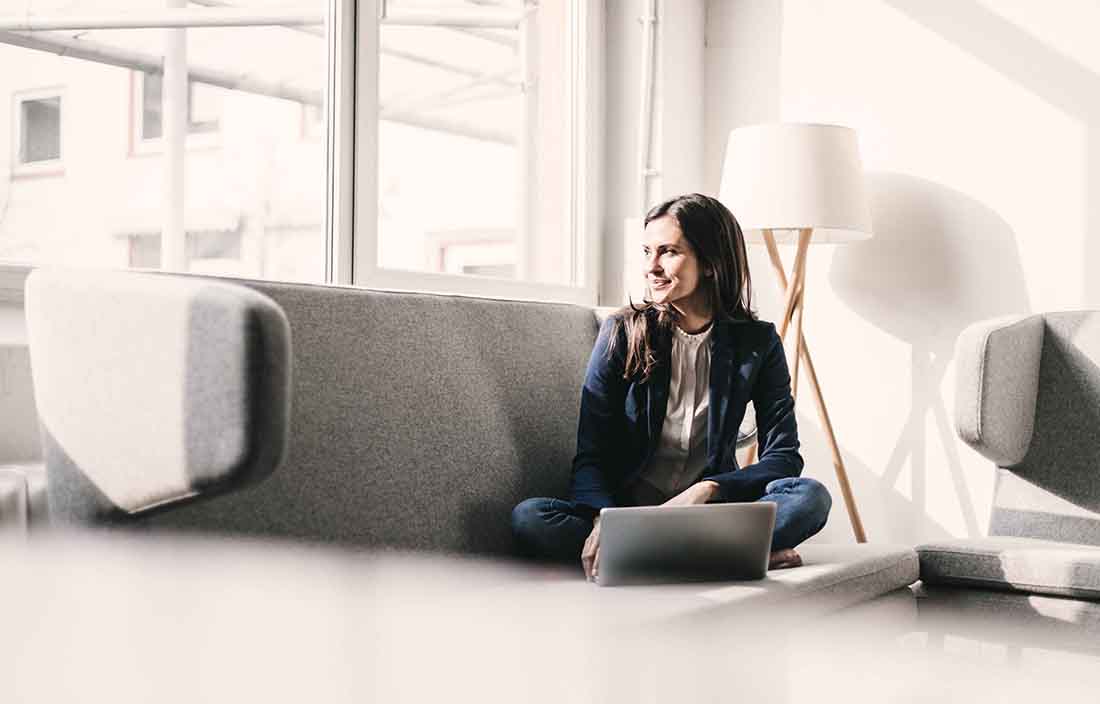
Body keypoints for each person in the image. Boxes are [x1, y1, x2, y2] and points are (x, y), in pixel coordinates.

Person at [511, 193, 832, 581]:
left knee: (810, 497)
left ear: (711, 264)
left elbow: (782, 457)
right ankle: (732, 557)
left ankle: (652, 558)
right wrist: (603, 521)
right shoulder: (621, 332)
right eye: (647, 252)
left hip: (709, 516)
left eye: (668, 252)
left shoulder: (758, 343)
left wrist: (707, 490)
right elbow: (590, 456)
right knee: (530, 518)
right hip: (628, 515)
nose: (652, 267)